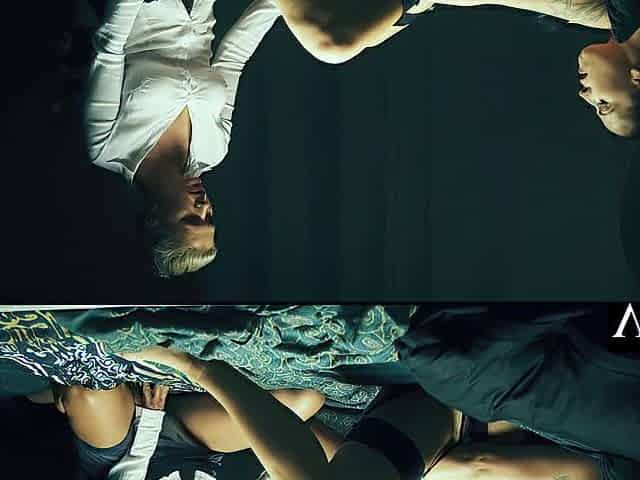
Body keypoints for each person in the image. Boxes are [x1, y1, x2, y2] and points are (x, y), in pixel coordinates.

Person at [86, 0, 280, 277]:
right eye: (210, 217)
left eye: (191, 219)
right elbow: (232, 60)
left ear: (154, 219)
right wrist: (279, 4)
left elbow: (111, 46)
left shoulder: (107, 147)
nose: (204, 207)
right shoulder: (214, 151)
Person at [273, 0, 639, 137]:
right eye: (603, 105)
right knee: (332, 41)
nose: (585, 95)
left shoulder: (614, 24)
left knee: (333, 42)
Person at [48, 380, 325, 479]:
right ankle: (187, 378)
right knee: (304, 401)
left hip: (121, 457)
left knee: (87, 392)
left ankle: (51, 394)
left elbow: (128, 472)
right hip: (190, 447)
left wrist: (150, 417)